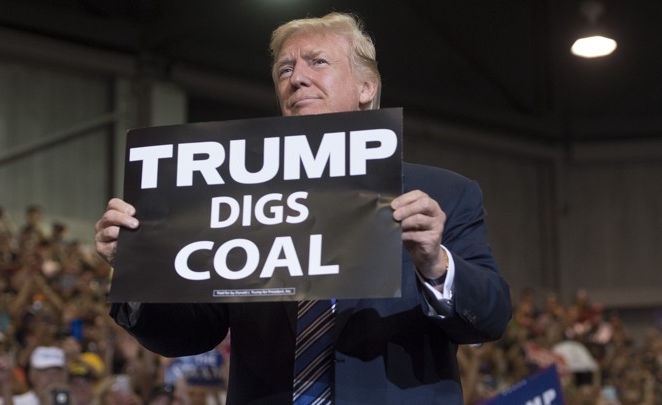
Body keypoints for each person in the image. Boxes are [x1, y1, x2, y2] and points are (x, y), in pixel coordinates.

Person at [95, 12, 512, 404]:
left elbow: (489, 317)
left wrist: (434, 263)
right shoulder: (237, 196)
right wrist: (138, 269)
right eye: (285, 70)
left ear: (366, 88)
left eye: (317, 62)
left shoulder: (444, 193)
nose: (297, 79)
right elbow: (192, 334)